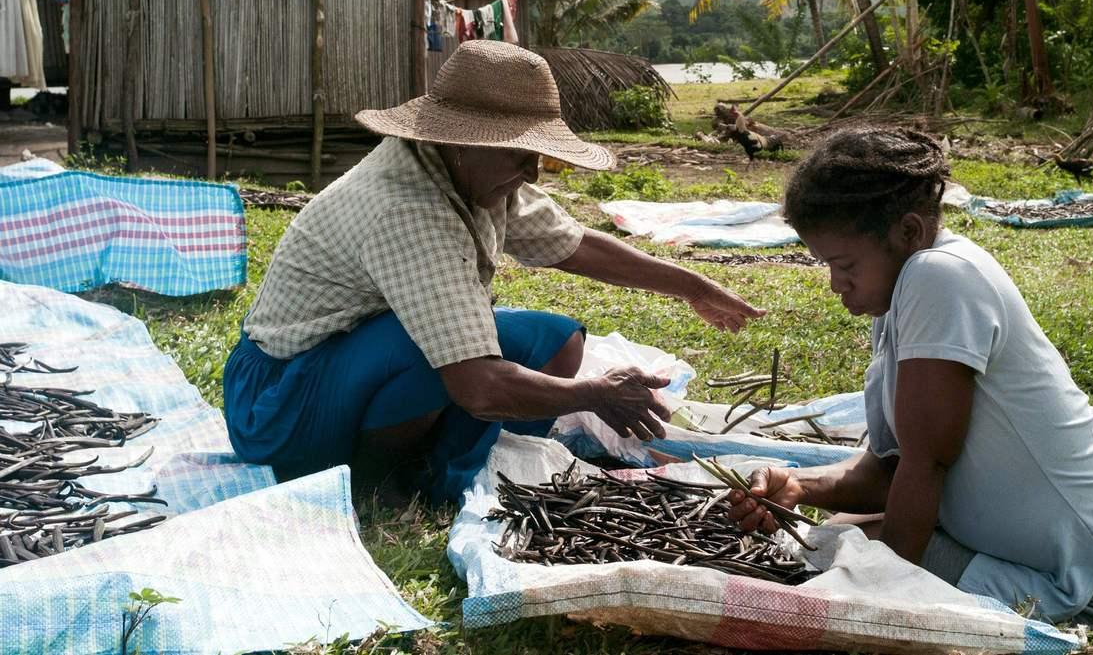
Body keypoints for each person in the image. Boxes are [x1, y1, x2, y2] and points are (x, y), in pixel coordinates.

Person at [223, 41, 762, 504]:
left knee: (556, 338)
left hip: (350, 362)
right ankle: (383, 480)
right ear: (463, 142)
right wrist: (594, 394)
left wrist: (690, 284)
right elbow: (479, 388)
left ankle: (451, 463)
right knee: (437, 350)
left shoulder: (473, 174)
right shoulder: (407, 209)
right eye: (520, 154)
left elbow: (572, 245)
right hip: (281, 405)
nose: (533, 171)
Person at [727, 128, 1093, 644]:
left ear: (909, 231)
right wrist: (799, 487)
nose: (836, 284)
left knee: (836, 550)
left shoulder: (939, 276)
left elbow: (928, 461)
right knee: (839, 534)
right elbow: (891, 468)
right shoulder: (905, 289)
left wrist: (881, 596)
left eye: (845, 264)